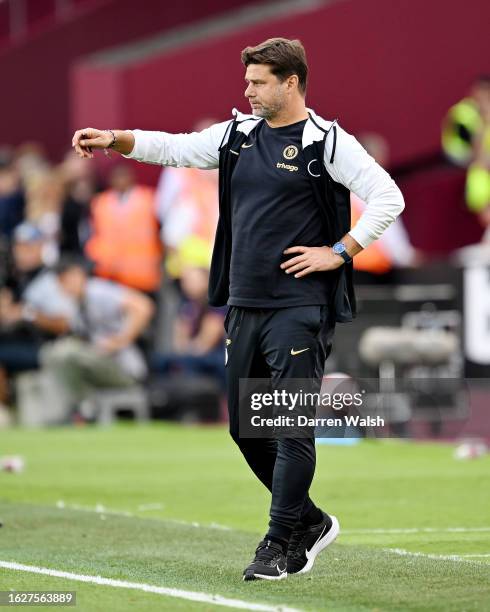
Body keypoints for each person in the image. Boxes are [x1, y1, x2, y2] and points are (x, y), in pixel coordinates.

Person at [72, 38, 404, 581]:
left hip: (299, 305)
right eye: (247, 81)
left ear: (291, 82)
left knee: (290, 426)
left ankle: (277, 542)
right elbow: (175, 148)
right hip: (244, 303)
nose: (247, 90)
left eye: (258, 81)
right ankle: (310, 521)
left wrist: (338, 251)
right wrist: (115, 139)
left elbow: (388, 196)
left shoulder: (328, 141)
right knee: (246, 429)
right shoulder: (237, 135)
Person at [40, 258, 154, 421]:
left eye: (67, 279)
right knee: (51, 353)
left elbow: (143, 306)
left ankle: (84, 407)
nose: (65, 286)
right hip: (101, 364)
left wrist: (122, 339)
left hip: (125, 367)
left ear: (78, 275)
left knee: (66, 351)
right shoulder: (75, 303)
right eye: (61, 282)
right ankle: (82, 406)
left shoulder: (97, 290)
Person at [84, 164, 162, 296]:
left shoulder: (148, 200)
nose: (120, 181)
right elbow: (93, 233)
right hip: (109, 273)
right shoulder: (100, 203)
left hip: (141, 274)